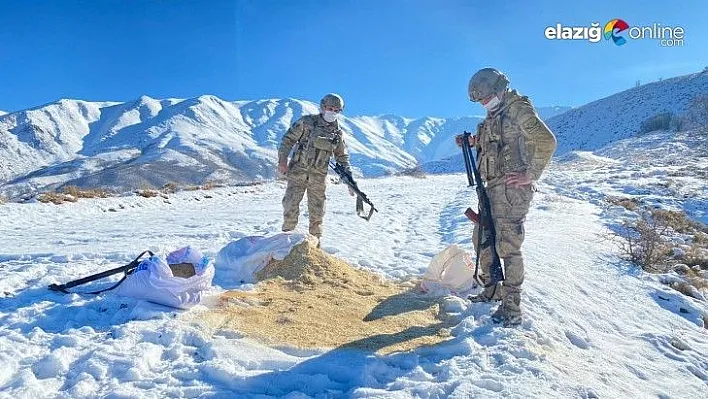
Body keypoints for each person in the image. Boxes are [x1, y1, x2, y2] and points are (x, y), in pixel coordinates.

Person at [459, 68, 557, 327]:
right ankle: (492, 290)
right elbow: (492, 143)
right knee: (482, 238)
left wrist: (531, 174)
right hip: (491, 187)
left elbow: (547, 141)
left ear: (500, 88)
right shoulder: (494, 114)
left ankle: (511, 308)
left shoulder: (518, 109)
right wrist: (470, 143)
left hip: (512, 190)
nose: (483, 103)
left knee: (508, 246)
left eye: (486, 97)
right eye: (480, 100)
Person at [278, 93, 353, 247]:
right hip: (298, 172)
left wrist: (349, 181)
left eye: (336, 110)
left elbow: (342, 157)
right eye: (329, 108)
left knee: (317, 213)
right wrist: (282, 161)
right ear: (322, 107)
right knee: (290, 207)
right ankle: (286, 245)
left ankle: (315, 249)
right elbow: (287, 140)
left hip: (319, 177)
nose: (332, 112)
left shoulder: (337, 133)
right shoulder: (306, 123)